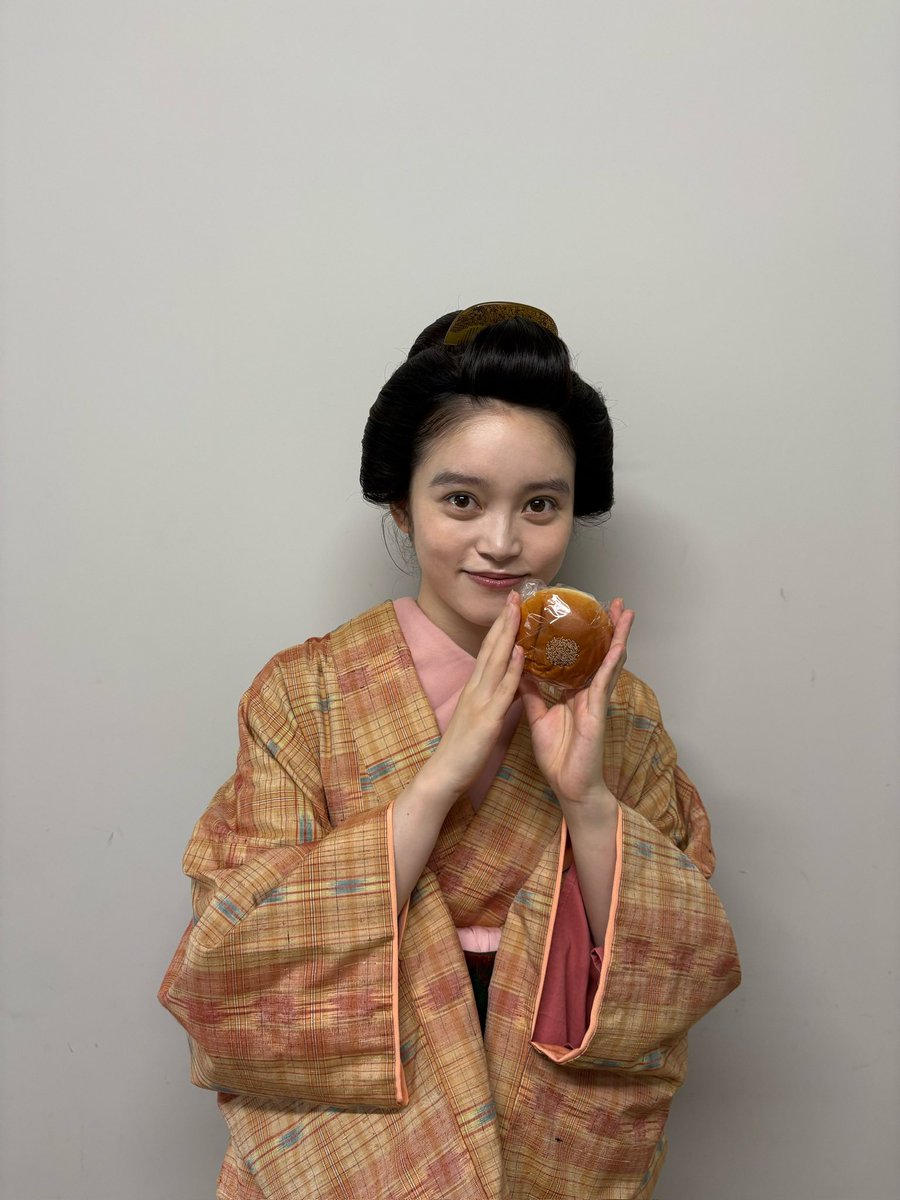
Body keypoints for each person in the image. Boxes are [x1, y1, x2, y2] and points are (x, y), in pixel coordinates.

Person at [159, 302, 741, 1200]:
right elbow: (234, 955)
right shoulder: (304, 694)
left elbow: (677, 960)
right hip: (370, 1096)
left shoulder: (617, 711)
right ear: (402, 502)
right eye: (461, 500)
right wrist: (438, 780)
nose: (502, 543)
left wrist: (587, 801)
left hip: (551, 1092)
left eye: (540, 505)